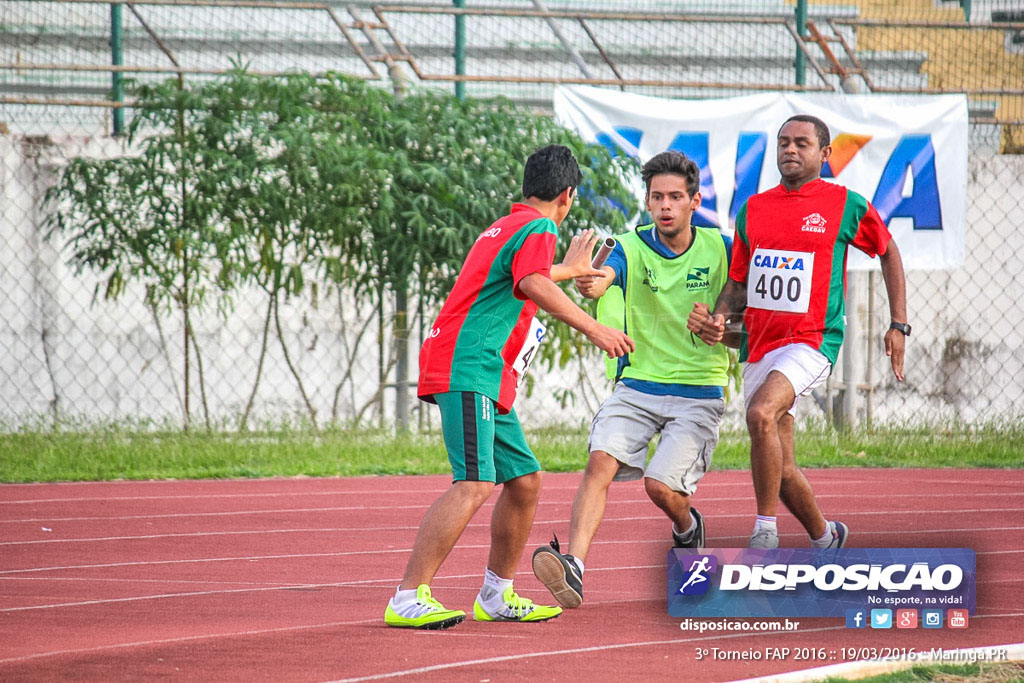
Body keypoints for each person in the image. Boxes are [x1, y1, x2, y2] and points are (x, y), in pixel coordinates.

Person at [384, 144, 635, 629]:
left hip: (483, 373)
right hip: (469, 366)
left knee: (524, 481)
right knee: (475, 483)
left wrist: (569, 269)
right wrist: (595, 328)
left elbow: (520, 275)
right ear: (568, 196)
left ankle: (497, 594)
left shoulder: (508, 224)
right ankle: (407, 596)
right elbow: (532, 284)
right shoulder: (540, 227)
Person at [688, 114, 909, 549]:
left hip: (812, 340)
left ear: (825, 154)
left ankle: (764, 531)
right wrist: (718, 316)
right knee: (782, 465)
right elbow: (738, 281)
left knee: (760, 414)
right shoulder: (754, 208)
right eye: (783, 142)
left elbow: (888, 251)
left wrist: (898, 323)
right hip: (759, 343)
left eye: (802, 143)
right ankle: (826, 537)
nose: (790, 150)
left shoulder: (846, 204)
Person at [531, 151, 733, 609]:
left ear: (694, 201)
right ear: (646, 201)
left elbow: (747, 317)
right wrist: (592, 283)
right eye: (657, 196)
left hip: (698, 390)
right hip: (638, 384)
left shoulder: (722, 248)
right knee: (599, 461)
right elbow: (603, 275)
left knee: (660, 488)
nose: (665, 205)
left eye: (675, 197)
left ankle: (687, 527)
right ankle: (575, 568)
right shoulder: (628, 246)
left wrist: (722, 324)